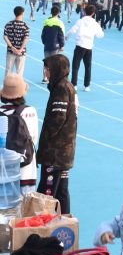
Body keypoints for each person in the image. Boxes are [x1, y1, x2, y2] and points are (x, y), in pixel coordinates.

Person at [36, 54, 77, 214]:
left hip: (55, 153)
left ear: (56, 69)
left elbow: (57, 120)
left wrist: (44, 146)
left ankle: (43, 224)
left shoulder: (61, 88)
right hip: (64, 152)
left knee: (46, 194)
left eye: (47, 69)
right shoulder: (66, 86)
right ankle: (66, 222)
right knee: (61, 192)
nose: (45, 72)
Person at [0, 75, 39, 194]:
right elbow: (33, 138)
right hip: (26, 171)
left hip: (4, 170)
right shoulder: (30, 111)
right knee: (26, 204)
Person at [68, 3, 104, 92]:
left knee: (75, 66)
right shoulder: (95, 23)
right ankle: (87, 85)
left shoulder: (80, 21)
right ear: (93, 13)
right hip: (88, 46)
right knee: (88, 66)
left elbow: (72, 30)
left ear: (84, 11)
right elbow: (100, 35)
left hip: (80, 45)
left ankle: (74, 84)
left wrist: (66, 37)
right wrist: (99, 28)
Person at [4, 5, 30, 77]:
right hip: (21, 52)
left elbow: (5, 37)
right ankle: (18, 84)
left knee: (8, 71)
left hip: (10, 51)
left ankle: (7, 84)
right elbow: (26, 38)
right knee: (19, 72)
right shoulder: (25, 25)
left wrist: (12, 47)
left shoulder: (8, 24)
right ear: (22, 13)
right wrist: (21, 49)